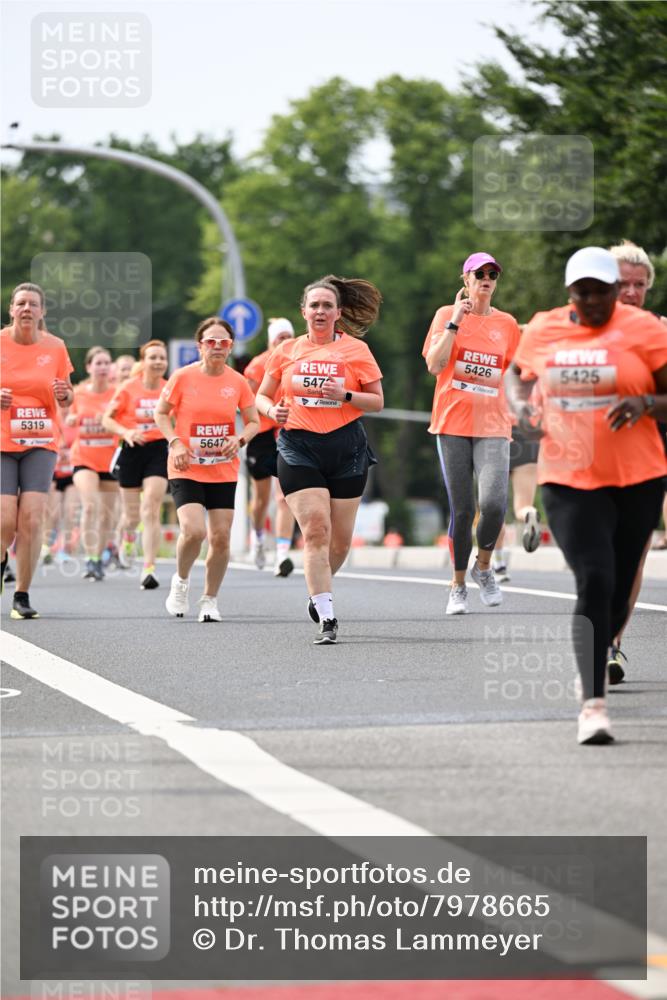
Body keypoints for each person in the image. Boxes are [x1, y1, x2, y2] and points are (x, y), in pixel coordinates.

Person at [505, 246, 667, 745]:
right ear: (570, 292)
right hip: (568, 474)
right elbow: (515, 374)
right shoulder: (544, 327)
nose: (594, 301)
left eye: (603, 292)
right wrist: (520, 408)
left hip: (638, 474)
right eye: (584, 292)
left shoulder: (646, 331)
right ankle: (592, 704)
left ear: (618, 292)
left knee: (617, 590)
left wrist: (645, 402)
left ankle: (595, 659)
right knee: (593, 578)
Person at [255, 275, 383, 645]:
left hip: (347, 448)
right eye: (315, 305)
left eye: (328, 305)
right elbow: (261, 396)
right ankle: (327, 614)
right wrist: (271, 410)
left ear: (338, 312)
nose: (321, 311)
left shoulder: (356, 351)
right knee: (315, 530)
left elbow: (376, 401)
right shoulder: (286, 351)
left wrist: (345, 394)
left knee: (339, 543)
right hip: (298, 445)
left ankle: (319, 587)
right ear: (304, 312)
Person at [423, 252, 521, 615]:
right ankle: (458, 583)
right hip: (452, 424)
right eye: (479, 273)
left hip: (494, 425)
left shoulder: (507, 324)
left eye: (492, 274)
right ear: (465, 279)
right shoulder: (444, 316)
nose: (486, 278)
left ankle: (484, 566)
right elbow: (435, 364)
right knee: (463, 511)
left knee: (494, 503)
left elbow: (512, 371)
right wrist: (453, 321)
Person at [154, 318, 259, 622]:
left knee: (221, 537)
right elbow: (161, 413)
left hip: (222, 468)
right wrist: (175, 442)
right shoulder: (182, 377)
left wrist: (239, 439)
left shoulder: (237, 381)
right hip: (185, 465)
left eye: (223, 342)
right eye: (210, 341)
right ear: (199, 346)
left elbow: (254, 421)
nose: (216, 347)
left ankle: (210, 599)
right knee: (194, 530)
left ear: (230, 347)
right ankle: (181, 581)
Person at [603, 241, 667, 681]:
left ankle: (612, 643)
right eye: (622, 283)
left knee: (632, 558)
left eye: (638, 285)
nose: (630, 292)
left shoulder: (661, 332)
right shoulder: (580, 330)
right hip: (591, 461)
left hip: (645, 462)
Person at [1, 282, 74, 618]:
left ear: (42, 312)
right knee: (4, 520)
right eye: (21, 303)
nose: (27, 309)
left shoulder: (56, 347)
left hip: (41, 442)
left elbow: (68, 396)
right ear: (11, 310)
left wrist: (63, 395)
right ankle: (3, 557)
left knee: (31, 518)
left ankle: (22, 595)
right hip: (1, 441)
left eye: (33, 304)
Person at [102, 339, 169, 590]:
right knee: (131, 516)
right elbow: (107, 420)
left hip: (158, 450)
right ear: (143, 361)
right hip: (131, 449)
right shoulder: (128, 388)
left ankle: (149, 567)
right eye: (153, 357)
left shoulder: (168, 388)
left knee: (151, 507)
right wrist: (126, 432)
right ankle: (127, 537)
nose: (158, 361)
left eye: (162, 357)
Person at [243, 318, 297, 576]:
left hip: (287, 430)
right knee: (261, 497)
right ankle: (257, 535)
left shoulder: (299, 360)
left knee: (284, 495)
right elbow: (246, 400)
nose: (285, 342)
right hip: (261, 433)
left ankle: (283, 554)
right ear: (270, 341)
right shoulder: (257, 365)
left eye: (289, 336)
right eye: (279, 338)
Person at [69, 346, 119, 581]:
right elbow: (67, 418)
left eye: (106, 363)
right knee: (90, 506)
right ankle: (89, 558)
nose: (102, 367)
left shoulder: (118, 394)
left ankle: (98, 558)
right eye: (98, 363)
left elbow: (126, 420)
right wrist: (74, 417)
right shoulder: (78, 393)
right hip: (84, 458)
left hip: (109, 461)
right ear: (89, 367)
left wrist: (109, 421)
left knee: (106, 514)